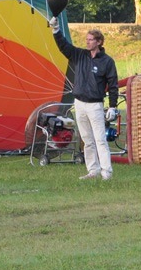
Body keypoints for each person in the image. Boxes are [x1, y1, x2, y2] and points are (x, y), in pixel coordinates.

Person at [50, 18, 118, 181]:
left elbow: (113, 84)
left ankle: (106, 171)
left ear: (99, 42)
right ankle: (92, 169)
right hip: (79, 103)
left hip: (95, 104)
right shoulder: (80, 55)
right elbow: (64, 46)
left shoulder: (107, 62)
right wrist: (56, 30)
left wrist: (113, 106)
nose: (87, 42)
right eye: (86, 40)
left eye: (90, 40)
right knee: (87, 139)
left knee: (100, 139)